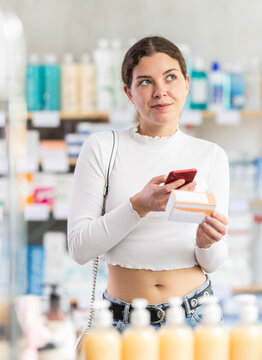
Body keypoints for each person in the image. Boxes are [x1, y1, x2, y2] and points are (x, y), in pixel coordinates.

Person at [68, 36, 229, 332]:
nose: (160, 92)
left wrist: (207, 242)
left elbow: (213, 261)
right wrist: (138, 205)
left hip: (194, 318)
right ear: (129, 93)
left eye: (170, 78)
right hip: (121, 322)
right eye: (145, 82)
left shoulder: (211, 155)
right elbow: (79, 248)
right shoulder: (103, 148)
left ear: (187, 84)